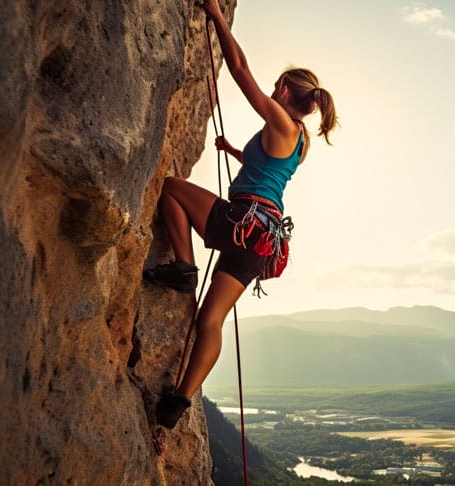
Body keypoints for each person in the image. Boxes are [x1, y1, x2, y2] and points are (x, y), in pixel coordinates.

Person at [144, 0, 337, 429]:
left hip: (243, 221)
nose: (269, 90)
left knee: (171, 187)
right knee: (210, 320)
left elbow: (239, 70)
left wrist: (216, 14)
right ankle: (180, 399)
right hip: (263, 240)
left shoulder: (279, 121)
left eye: (275, 87)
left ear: (283, 91)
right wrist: (233, 150)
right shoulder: (299, 140)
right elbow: (267, 172)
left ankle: (183, 266)